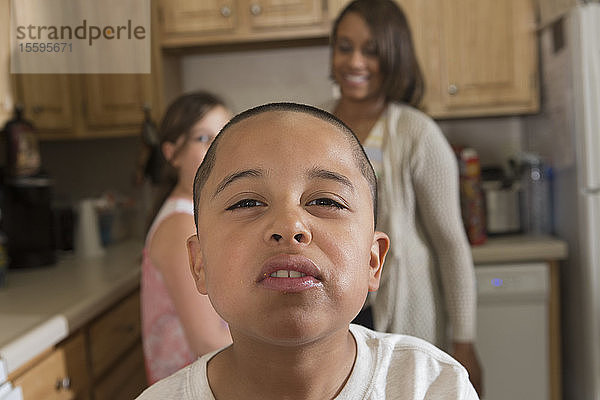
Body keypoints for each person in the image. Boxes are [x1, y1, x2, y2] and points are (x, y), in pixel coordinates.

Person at [136, 102, 478, 399]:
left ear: (373, 261)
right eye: (248, 202)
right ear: (199, 263)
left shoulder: (430, 386)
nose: (290, 226)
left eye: (325, 201)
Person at [324, 0, 482, 394]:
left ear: (394, 57)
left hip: (403, 310)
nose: (355, 61)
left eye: (371, 50)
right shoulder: (315, 126)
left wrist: (464, 338)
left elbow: (451, 245)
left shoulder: (416, 133)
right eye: (345, 47)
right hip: (331, 310)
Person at [140, 91, 232, 385]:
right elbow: (207, 340)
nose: (219, 150)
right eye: (204, 139)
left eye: (224, 136)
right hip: (188, 385)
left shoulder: (200, 210)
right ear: (171, 153)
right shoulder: (180, 225)